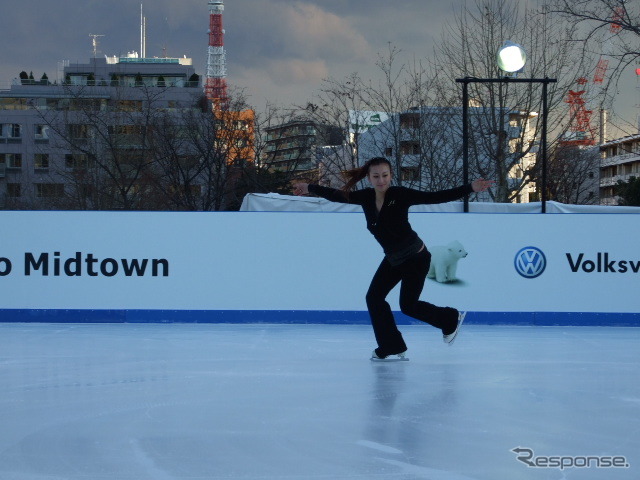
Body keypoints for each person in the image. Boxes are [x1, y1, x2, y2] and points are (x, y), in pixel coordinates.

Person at [293, 157, 493, 361]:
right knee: (374, 298)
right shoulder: (366, 197)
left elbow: (436, 197)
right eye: (376, 176)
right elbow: (336, 196)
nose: (381, 180)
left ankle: (449, 318)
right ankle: (392, 345)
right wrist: (309, 186)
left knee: (408, 306)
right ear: (369, 178)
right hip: (394, 259)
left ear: (391, 175)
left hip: (416, 258)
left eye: (385, 175)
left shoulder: (400, 195)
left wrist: (470, 187)